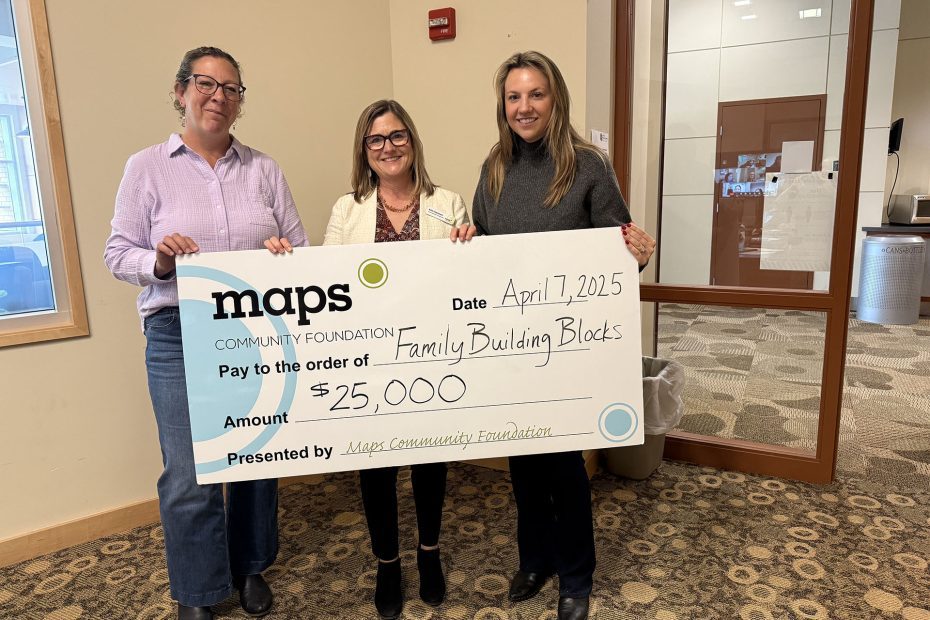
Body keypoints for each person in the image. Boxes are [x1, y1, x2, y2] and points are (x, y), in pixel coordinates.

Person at [104, 46, 308, 620]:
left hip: (254, 328)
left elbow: (302, 248)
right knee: (188, 470)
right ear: (180, 91)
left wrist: (282, 256)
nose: (218, 96)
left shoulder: (264, 169)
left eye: (231, 89)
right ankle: (197, 590)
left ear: (240, 103)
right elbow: (117, 254)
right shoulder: (146, 167)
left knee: (252, 457)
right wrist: (161, 263)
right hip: (176, 329)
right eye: (205, 84)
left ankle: (249, 567)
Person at [465, 51, 655, 620]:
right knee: (522, 463)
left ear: (556, 99)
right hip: (512, 344)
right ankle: (534, 560)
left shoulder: (589, 166)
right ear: (503, 106)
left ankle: (575, 575)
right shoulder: (493, 168)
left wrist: (637, 257)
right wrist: (463, 239)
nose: (524, 107)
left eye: (536, 95)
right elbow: (480, 243)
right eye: (514, 97)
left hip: (568, 349)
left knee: (565, 466)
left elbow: (617, 250)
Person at [273, 99, 472, 619]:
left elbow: (469, 280)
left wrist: (469, 244)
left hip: (431, 354)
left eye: (398, 136)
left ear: (413, 141)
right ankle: (388, 563)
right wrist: (283, 263)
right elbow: (325, 280)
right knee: (375, 467)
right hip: (367, 360)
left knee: (431, 458)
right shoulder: (348, 209)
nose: (389, 147)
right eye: (377, 139)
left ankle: (429, 552)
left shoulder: (447, 202)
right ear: (365, 149)